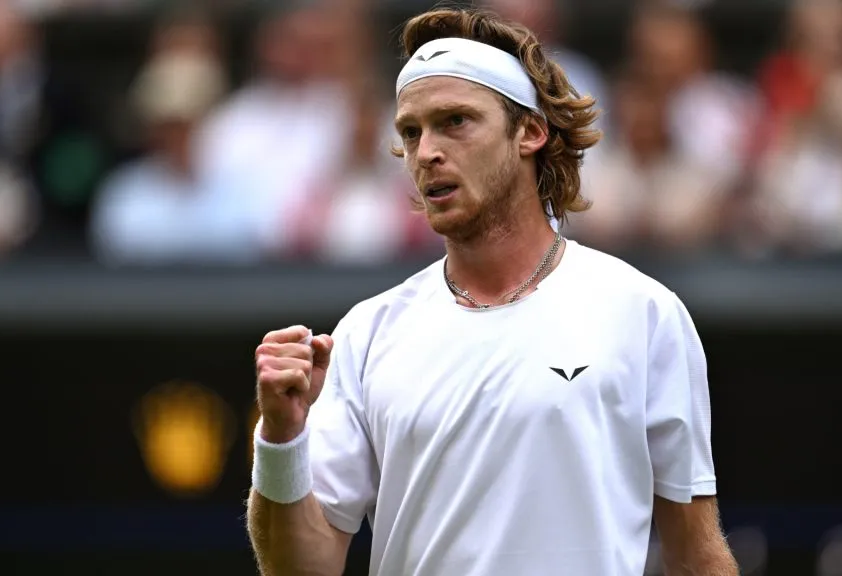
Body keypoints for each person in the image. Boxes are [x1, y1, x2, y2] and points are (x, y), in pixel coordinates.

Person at [247, 8, 738, 576]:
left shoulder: (642, 312)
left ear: (530, 131)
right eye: (411, 131)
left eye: (456, 121)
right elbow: (301, 567)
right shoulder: (367, 331)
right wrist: (281, 442)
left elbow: (696, 553)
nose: (426, 151)